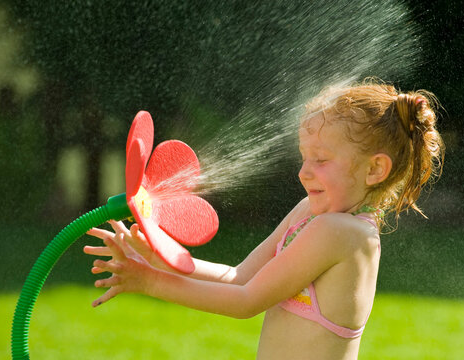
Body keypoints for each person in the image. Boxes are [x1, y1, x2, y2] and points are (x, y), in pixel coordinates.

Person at [84, 79, 445, 359]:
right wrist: (157, 257)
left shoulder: (343, 233)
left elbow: (246, 301)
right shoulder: (311, 213)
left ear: (375, 169)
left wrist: (151, 284)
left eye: (321, 159)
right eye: (304, 158)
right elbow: (239, 277)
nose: (304, 172)